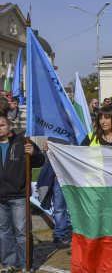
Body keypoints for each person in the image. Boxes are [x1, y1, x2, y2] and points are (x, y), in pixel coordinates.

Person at [0, 115, 45, 270]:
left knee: (22, 232)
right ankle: (8, 263)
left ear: (10, 125)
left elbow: (40, 161)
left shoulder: (23, 141)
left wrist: (33, 153)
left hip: (19, 195)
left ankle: (26, 263)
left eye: (2, 125)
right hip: (0, 197)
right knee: (4, 232)